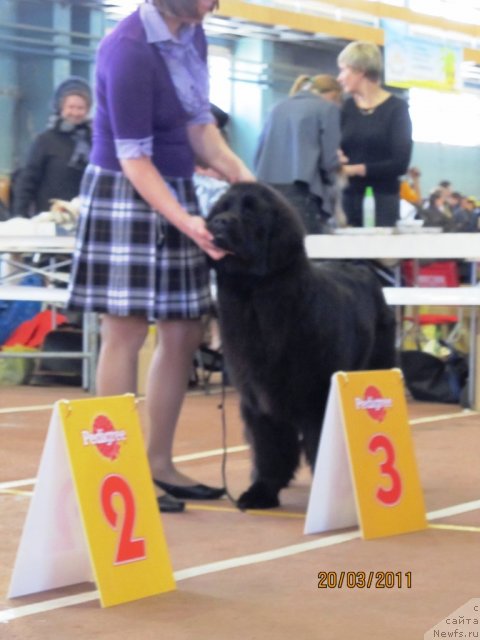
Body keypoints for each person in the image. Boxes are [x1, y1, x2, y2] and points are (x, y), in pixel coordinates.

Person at [67, 0, 254, 513]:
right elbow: (133, 157)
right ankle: (118, 472)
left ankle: (159, 462)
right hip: (124, 189)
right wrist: (184, 219)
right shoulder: (127, 50)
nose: (214, 3)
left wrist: (242, 175)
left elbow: (199, 125)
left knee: (184, 329)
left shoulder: (193, 33)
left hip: (174, 184)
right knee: (124, 329)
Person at [254, 74, 342, 233]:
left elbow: (258, 155)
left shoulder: (276, 108)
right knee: (308, 253)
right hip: (302, 194)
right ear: (334, 95)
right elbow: (329, 162)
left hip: (266, 195)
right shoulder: (327, 108)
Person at [337, 41, 413, 227]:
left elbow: (400, 163)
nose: (339, 78)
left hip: (383, 199)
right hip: (348, 198)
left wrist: (355, 169)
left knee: (379, 255)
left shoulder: (397, 109)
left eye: (344, 70)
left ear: (360, 71)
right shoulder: (345, 108)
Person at [13, 76, 92, 218]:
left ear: (87, 110)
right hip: (50, 218)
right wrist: (20, 215)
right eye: (71, 107)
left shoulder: (94, 141)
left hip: (84, 217)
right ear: (61, 108)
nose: (75, 113)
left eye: (80, 108)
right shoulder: (45, 141)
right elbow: (28, 179)